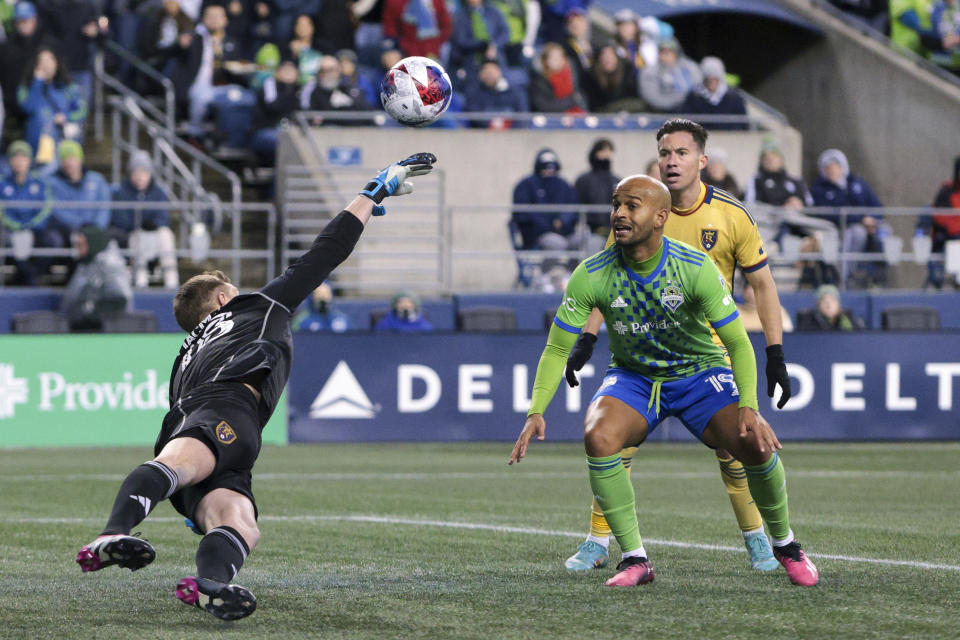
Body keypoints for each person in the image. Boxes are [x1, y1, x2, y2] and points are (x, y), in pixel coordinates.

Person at [74, 152, 437, 620]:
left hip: (213, 424)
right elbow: (326, 252)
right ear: (224, 298)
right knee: (196, 480)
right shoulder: (255, 306)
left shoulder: (185, 352)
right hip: (226, 411)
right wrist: (370, 195)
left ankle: (211, 584)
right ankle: (112, 532)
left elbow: (178, 412)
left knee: (236, 519)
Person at [509, 174, 818, 588]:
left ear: (660, 217)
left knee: (756, 444)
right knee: (598, 436)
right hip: (634, 378)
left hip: (699, 373)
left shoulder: (693, 266)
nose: (619, 213)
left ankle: (785, 544)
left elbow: (738, 344)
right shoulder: (591, 273)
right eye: (616, 204)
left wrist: (749, 405)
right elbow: (555, 349)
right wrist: (535, 411)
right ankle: (635, 560)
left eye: (631, 205)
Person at [560, 119, 794, 576]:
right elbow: (605, 278)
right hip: (643, 353)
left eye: (681, 153)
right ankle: (598, 540)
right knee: (615, 444)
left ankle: (758, 540)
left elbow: (762, 286)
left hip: (707, 354)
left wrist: (775, 353)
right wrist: (587, 338)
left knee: (736, 449)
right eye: (665, 151)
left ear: (701, 161)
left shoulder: (732, 216)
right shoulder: (637, 208)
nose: (671, 160)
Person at [111, 150, 179, 289]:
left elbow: (163, 216)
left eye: (144, 173)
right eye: (136, 173)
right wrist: (138, 225)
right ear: (130, 174)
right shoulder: (120, 192)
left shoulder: (158, 191)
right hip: (133, 235)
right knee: (139, 236)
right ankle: (140, 281)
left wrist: (154, 224)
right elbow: (120, 218)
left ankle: (172, 282)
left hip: (155, 236)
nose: (140, 177)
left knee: (166, 235)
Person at [16, 45, 87, 165]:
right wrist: (37, 82)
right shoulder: (25, 88)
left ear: (57, 63)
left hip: (64, 146)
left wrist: (66, 117)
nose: (46, 65)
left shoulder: (69, 87)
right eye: (42, 61)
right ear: (35, 65)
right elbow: (28, 107)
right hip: (36, 148)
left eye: (50, 60)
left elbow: (82, 110)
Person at [0, 139, 57, 285]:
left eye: (23, 157)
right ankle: (29, 278)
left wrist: (30, 226)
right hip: (10, 230)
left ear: (29, 160)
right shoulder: (2, 183)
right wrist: (16, 227)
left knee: (53, 241)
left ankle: (26, 277)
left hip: (35, 229)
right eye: (15, 157)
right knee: (13, 241)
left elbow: (46, 208)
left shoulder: (40, 182)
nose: (19, 161)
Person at [60, 224, 132, 331]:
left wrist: (91, 309)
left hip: (106, 329)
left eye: (81, 245)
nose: (77, 249)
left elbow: (121, 298)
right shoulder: (85, 263)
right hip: (80, 326)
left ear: (92, 243)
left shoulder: (109, 265)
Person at [46, 141, 111, 247]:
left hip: (95, 230)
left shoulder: (97, 179)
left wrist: (96, 228)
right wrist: (80, 225)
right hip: (67, 231)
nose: (69, 163)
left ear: (80, 159)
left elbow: (104, 206)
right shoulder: (52, 183)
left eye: (72, 158)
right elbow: (56, 209)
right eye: (65, 159)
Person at [510, 148, 577, 251]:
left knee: (583, 242)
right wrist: (550, 225)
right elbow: (523, 213)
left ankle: (574, 268)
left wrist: (562, 221)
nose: (549, 172)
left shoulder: (564, 185)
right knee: (558, 244)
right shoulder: (527, 185)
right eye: (545, 168)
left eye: (552, 168)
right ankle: (548, 268)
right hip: (538, 236)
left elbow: (573, 208)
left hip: (566, 232)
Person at [679, 56, 747, 130]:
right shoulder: (694, 97)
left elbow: (743, 123)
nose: (711, 81)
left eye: (715, 78)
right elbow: (686, 122)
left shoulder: (734, 97)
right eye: (708, 78)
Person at [639, 38, 700, 113]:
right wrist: (678, 100)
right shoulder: (649, 72)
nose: (667, 56)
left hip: (689, 112)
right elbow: (653, 99)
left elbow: (698, 88)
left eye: (670, 52)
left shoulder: (689, 67)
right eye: (663, 52)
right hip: (660, 114)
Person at [574, 138, 620, 236]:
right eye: (603, 150)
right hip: (590, 231)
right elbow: (578, 204)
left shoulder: (616, 181)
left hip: (613, 230)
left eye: (609, 150)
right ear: (595, 152)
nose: (607, 153)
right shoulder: (584, 180)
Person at [528, 42, 588, 113]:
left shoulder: (572, 76)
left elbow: (581, 98)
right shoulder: (539, 81)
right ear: (545, 60)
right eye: (553, 57)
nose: (557, 60)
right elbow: (544, 106)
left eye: (560, 56)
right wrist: (572, 100)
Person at [381, 0, 453, 59]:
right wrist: (393, 50)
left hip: (432, 52)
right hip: (404, 53)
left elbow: (446, 27)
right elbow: (390, 30)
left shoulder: (437, 2)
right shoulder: (395, 2)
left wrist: (436, 44)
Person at [796, 284, 866, 331]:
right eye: (824, 301)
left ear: (838, 303)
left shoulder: (849, 320)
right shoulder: (808, 321)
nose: (829, 305)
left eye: (832, 301)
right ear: (818, 305)